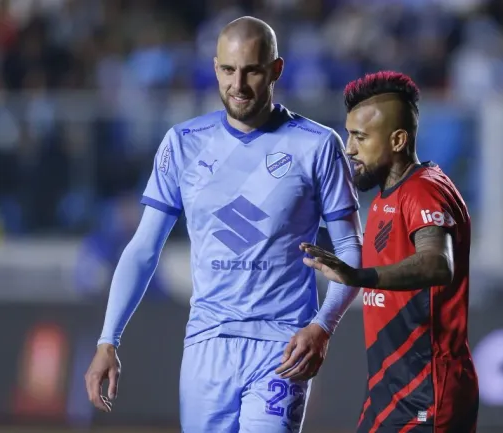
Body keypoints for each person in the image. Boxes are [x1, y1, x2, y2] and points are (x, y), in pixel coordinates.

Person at [84, 16, 362, 433]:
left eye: (251, 70)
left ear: (276, 70)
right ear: (215, 69)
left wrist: (322, 326)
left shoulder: (318, 145)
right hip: (205, 347)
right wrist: (109, 339)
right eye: (229, 70)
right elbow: (143, 249)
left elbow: (351, 250)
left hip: (282, 346)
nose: (239, 84)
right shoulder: (182, 143)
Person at [301, 71, 479, 433]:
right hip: (390, 392)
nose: (350, 149)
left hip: (427, 391)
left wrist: (358, 277)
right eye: (350, 135)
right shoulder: (389, 196)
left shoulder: (424, 192)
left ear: (398, 140)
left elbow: (437, 263)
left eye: (360, 137)